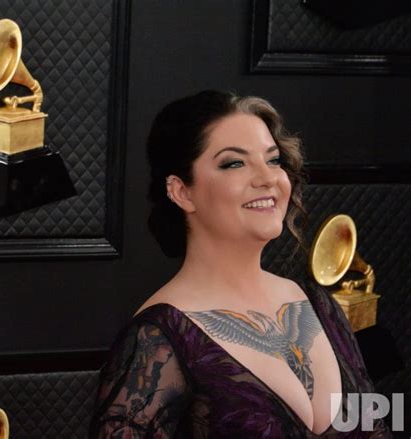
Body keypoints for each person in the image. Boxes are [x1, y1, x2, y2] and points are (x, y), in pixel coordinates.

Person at [90, 90, 392, 437]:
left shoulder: (320, 305)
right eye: (234, 163)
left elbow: (378, 427)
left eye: (274, 160)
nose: (267, 178)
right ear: (181, 191)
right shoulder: (157, 338)